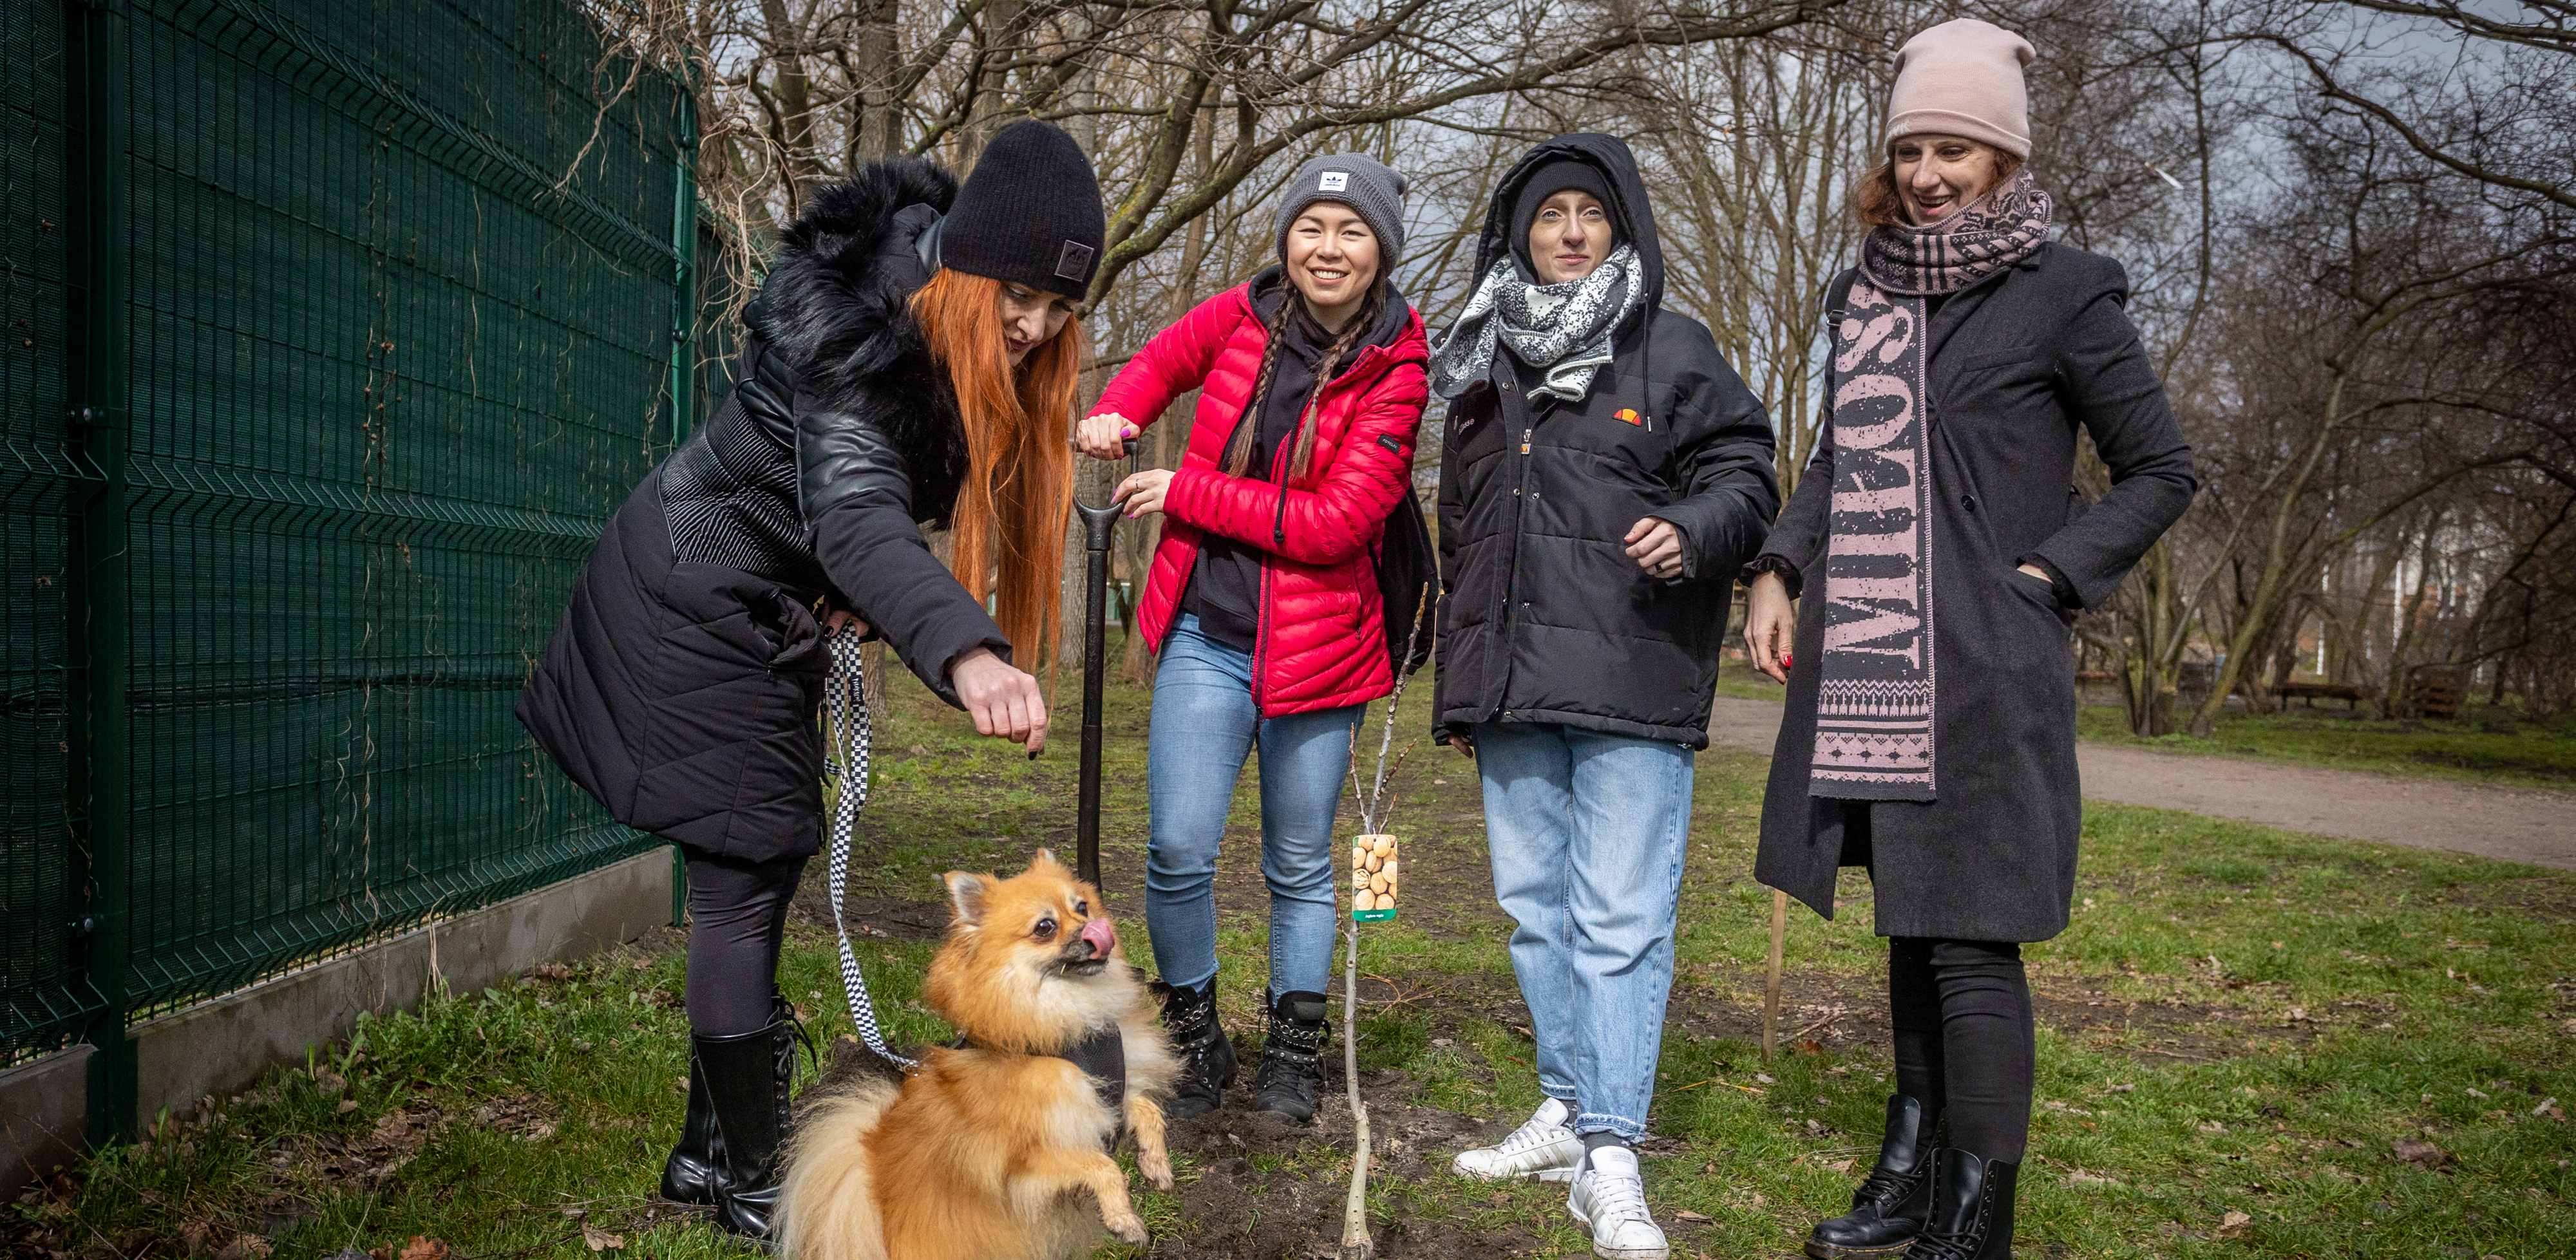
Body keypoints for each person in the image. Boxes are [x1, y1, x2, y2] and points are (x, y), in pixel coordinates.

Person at [515, 121, 1106, 1236]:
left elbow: (844, 528)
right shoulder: (859, 336)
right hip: (692, 597)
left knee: (764, 853)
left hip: (750, 603)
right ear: (972, 258)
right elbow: (855, 519)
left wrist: (861, 599)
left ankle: (706, 1157)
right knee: (744, 872)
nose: (1034, 326)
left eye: (1061, 308)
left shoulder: (934, 314)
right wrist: (968, 649)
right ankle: (752, 1181)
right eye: (1020, 293)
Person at [1739, 21, 2197, 1260]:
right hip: (1875, 661)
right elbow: (1841, 455)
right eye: (1912, 150)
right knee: (1911, 924)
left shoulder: (2066, 290)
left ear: (2002, 157)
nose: (1930, 172)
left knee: (1974, 937)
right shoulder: (1865, 291)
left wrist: (2051, 573)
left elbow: (2161, 468)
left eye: (1955, 149)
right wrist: (1781, 564)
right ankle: (1910, 1171)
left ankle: (1977, 1216)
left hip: (1990, 665)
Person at [1430, 133, 1779, 1260]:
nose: (1571, 230)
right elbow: (1465, 535)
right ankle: (1568, 1109)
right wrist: (1459, 679)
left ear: (1621, 227)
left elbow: (1749, 478)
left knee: (1619, 923)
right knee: (1539, 915)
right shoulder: (1481, 370)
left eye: (1591, 212)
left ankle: (1613, 1157)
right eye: (1549, 215)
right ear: (1517, 234)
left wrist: (1693, 529)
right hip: (1513, 688)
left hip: (1633, 676)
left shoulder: (1671, 351)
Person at [1074, 154, 1430, 1125]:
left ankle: (1295, 1052)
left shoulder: (1399, 366)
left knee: (1300, 861)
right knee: (1180, 848)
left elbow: (1339, 521)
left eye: (1352, 232)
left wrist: (1185, 490)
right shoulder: (1244, 312)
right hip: (1209, 631)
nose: (1328, 247)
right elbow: (1161, 358)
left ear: (1381, 253)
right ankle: (1198, 1037)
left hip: (1323, 650)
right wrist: (1121, 411)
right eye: (1311, 226)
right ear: (1287, 239)